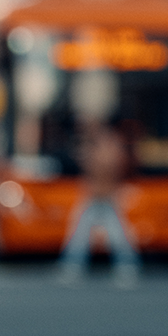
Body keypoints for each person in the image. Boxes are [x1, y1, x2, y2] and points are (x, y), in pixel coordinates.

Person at [57, 120, 140, 287]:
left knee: (118, 235)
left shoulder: (109, 146)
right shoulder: (95, 146)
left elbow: (109, 167)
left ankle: (127, 269)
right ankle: (72, 268)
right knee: (78, 235)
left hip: (108, 196)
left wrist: (90, 157)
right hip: (93, 196)